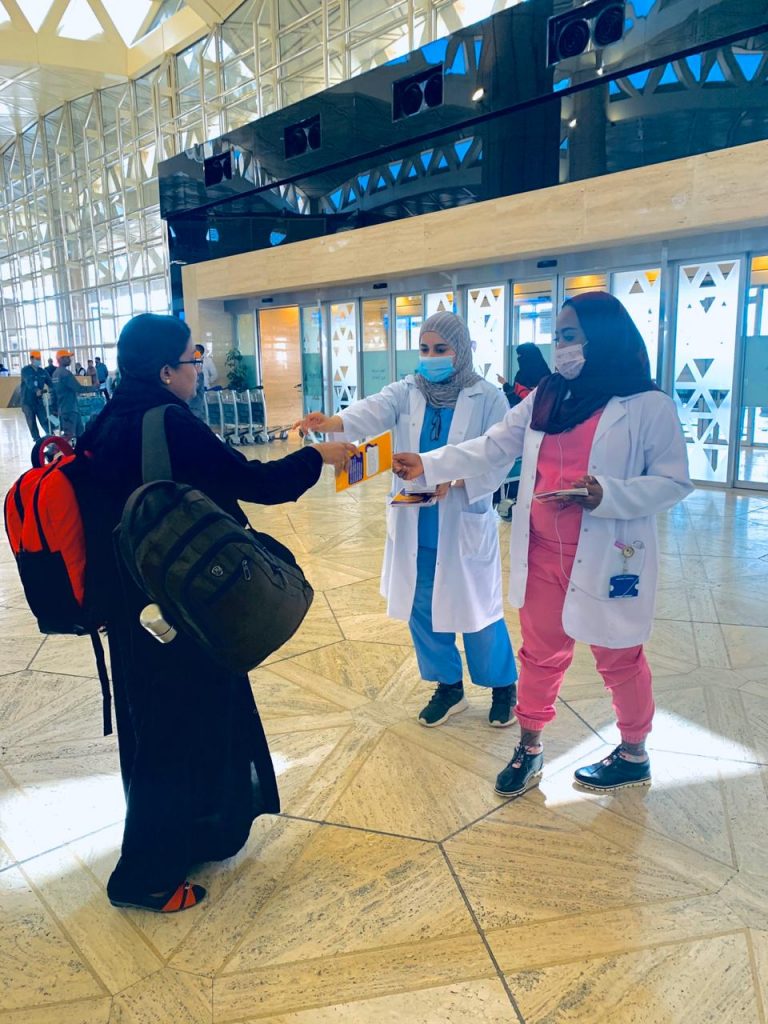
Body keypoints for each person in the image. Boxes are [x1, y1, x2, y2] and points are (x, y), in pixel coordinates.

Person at [80, 313, 355, 913]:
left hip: (135, 609)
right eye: (193, 358)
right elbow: (255, 482)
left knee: (167, 726)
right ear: (166, 371)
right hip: (179, 608)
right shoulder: (168, 421)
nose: (199, 369)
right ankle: (145, 878)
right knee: (175, 735)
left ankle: (191, 835)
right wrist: (317, 457)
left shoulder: (105, 419)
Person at [393, 292, 692, 796]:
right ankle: (529, 746)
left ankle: (633, 753)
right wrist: (431, 463)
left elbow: (674, 481)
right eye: (557, 337)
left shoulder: (647, 405)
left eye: (569, 337)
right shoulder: (548, 395)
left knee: (619, 657)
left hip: (608, 555)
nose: (560, 348)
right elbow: (494, 445)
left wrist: (609, 494)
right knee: (540, 654)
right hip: (543, 554)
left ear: (603, 338)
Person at [295, 311, 518, 728]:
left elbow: (500, 454)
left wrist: (456, 480)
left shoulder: (487, 397)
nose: (431, 357)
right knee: (422, 607)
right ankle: (448, 686)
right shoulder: (408, 390)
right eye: (425, 349)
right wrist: (333, 422)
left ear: (461, 350)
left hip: (461, 519)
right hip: (416, 520)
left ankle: (502, 685)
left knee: (477, 609)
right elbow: (371, 410)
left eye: (441, 349)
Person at [494, 344, 551, 517]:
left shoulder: (547, 378)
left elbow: (531, 399)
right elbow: (516, 398)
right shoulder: (523, 374)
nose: (519, 360)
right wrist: (507, 386)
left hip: (541, 429)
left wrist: (509, 387)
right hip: (519, 427)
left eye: (521, 356)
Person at [52, 349, 98, 440]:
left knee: (80, 434)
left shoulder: (55, 374)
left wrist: (54, 408)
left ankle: (81, 449)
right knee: (68, 435)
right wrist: (94, 387)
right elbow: (79, 388)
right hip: (69, 409)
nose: (70, 359)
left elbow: (54, 393)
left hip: (65, 408)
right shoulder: (65, 374)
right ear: (61, 359)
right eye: (67, 357)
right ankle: (54, 448)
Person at [497, 343, 550, 408]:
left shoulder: (521, 375)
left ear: (528, 356)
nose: (518, 358)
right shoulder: (546, 373)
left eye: (520, 355)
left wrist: (505, 384)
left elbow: (515, 396)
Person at [19, 350, 50, 441]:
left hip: (38, 401)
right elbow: (29, 382)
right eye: (36, 359)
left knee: (44, 420)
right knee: (31, 422)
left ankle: (50, 438)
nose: (38, 360)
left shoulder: (42, 372)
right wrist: (36, 390)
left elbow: (51, 383)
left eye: (39, 359)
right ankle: (37, 440)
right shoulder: (25, 370)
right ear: (31, 359)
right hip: (27, 402)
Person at [187, 344, 206, 420]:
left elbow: (195, 388)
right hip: (190, 407)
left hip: (195, 408)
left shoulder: (198, 371)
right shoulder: (190, 367)